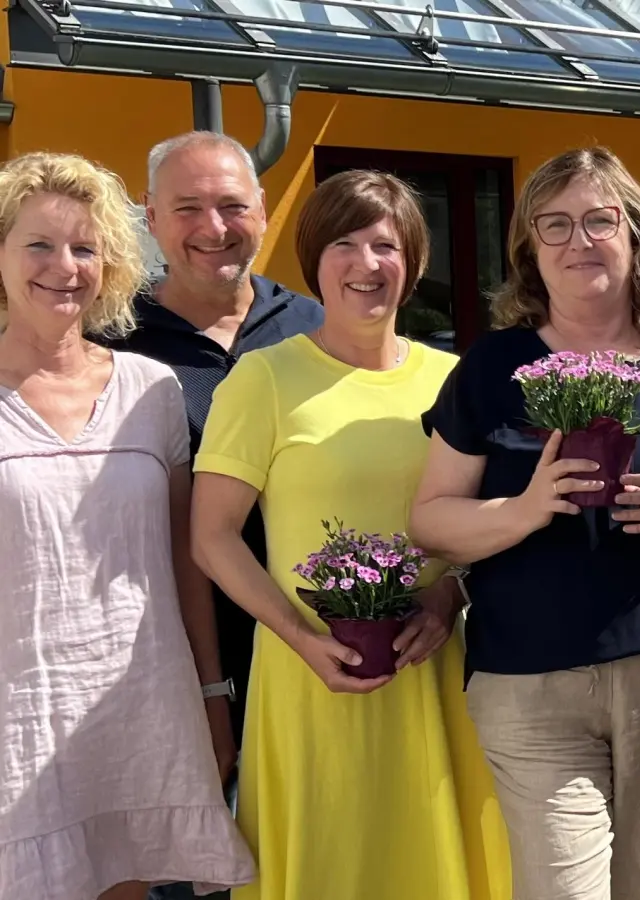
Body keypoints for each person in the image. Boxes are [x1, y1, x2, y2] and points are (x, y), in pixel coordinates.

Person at [408, 147, 640, 900]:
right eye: (554, 225)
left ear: (635, 234)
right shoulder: (493, 367)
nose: (578, 241)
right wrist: (525, 509)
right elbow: (431, 521)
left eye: (599, 220)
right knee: (563, 887)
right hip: (529, 676)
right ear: (530, 249)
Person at [189, 169, 510, 900]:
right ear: (314, 261)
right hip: (310, 680)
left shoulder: (455, 380)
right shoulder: (264, 380)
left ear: (414, 264)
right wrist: (299, 640)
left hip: (433, 673)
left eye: (386, 246)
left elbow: (487, 526)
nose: (367, 264)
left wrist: (447, 598)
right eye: (344, 244)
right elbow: (212, 538)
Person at [0, 152, 255, 899]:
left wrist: (212, 696)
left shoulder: (152, 389)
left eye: (84, 247)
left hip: (142, 708)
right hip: (21, 714)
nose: (64, 267)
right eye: (39, 244)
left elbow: (184, 558)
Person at [94, 129, 322, 785]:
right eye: (187, 208)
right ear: (151, 216)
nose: (213, 228)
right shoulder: (108, 345)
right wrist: (206, 688)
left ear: (264, 208)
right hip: (160, 664)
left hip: (316, 647)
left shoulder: (317, 329)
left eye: (231, 205)